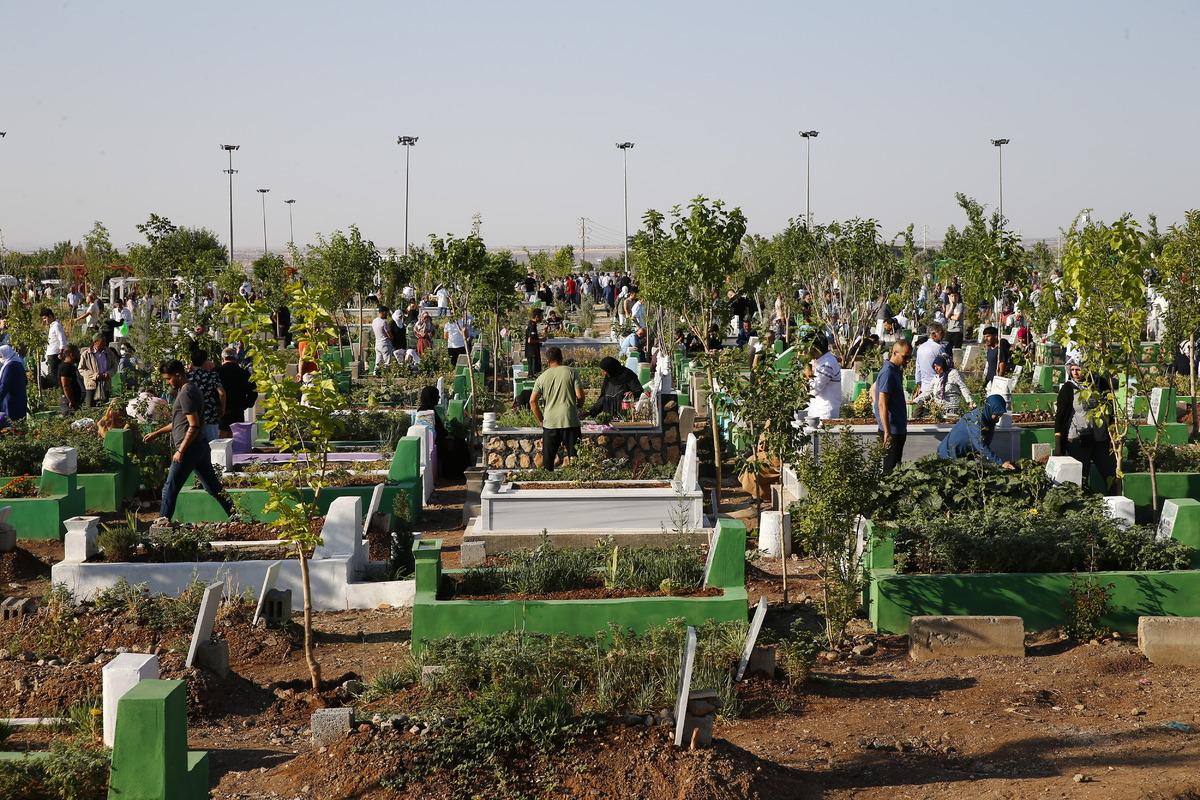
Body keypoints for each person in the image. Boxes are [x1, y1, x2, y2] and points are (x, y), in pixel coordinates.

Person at [147, 359, 233, 523]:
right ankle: (236, 514)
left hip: (189, 449)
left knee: (170, 487)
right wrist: (157, 433)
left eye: (169, 378)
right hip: (199, 446)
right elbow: (179, 422)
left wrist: (181, 450)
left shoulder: (186, 393)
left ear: (178, 374)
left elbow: (193, 425)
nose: (168, 382)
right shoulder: (190, 389)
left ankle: (162, 523)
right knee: (213, 486)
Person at [1054, 359, 1115, 488]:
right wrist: (1058, 444)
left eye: (1078, 369)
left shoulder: (1100, 384)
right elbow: (1060, 416)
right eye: (1072, 370)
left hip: (1101, 438)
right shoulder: (1068, 388)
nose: (1075, 373)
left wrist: (1113, 434)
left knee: (1110, 474)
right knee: (1081, 477)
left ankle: (1113, 496)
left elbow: (1111, 410)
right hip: (1078, 439)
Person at [530, 346, 584, 471]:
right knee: (576, 460)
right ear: (561, 358)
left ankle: (548, 479)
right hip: (570, 420)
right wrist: (578, 407)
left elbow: (532, 401)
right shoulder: (571, 372)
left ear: (547, 360)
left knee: (548, 462)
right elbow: (580, 395)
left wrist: (541, 420)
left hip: (550, 423)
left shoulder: (542, 377)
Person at [936, 394, 1015, 469]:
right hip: (949, 454)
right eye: (997, 414)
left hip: (965, 455)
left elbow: (986, 442)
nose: (999, 417)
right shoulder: (976, 419)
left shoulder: (989, 419)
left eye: (1000, 414)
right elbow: (980, 444)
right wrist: (1000, 463)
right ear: (990, 410)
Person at [874, 340, 912, 474]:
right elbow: (882, 403)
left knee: (895, 469)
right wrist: (887, 431)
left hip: (897, 429)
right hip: (892, 431)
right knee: (890, 472)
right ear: (894, 353)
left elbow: (873, 388)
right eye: (905, 357)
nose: (907, 360)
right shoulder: (888, 372)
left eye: (909, 357)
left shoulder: (895, 370)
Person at [911, 354, 973, 418]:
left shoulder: (953, 374)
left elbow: (963, 387)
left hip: (953, 411)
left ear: (943, 365)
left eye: (938, 366)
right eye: (934, 366)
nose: (936, 369)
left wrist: (970, 401)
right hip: (939, 411)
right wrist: (915, 400)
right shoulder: (936, 378)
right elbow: (928, 391)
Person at [187, 350, 226, 442]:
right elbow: (222, 393)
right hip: (210, 414)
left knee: (195, 444)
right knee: (213, 444)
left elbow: (173, 392)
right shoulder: (212, 375)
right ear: (205, 361)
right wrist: (222, 408)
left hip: (193, 416)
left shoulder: (187, 377)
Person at [217, 346, 257, 432]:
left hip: (221, 411)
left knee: (222, 437)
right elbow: (254, 392)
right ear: (236, 359)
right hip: (238, 410)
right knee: (237, 436)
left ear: (222, 358)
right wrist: (246, 405)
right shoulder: (244, 373)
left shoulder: (217, 372)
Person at [803, 333, 842, 421]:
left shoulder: (826, 365)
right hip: (817, 411)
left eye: (807, 348)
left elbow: (814, 390)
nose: (805, 351)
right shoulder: (822, 361)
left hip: (824, 414)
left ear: (815, 348)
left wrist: (808, 375)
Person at [78, 334, 118, 408]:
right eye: (102, 341)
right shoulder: (86, 354)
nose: (104, 343)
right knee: (91, 407)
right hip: (91, 385)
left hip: (105, 384)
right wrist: (94, 375)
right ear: (95, 342)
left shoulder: (109, 352)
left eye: (105, 341)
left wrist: (109, 374)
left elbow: (114, 366)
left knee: (105, 407)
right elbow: (81, 369)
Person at [914, 322, 947, 395]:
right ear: (934, 334)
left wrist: (919, 385)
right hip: (937, 387)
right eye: (941, 332)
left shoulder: (920, 348)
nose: (943, 335)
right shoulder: (939, 348)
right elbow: (945, 367)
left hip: (924, 387)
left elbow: (918, 369)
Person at [0, 345, 28, 425]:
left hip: (11, 402)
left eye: (1, 356)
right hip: (20, 399)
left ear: (6, 354)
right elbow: (26, 381)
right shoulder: (18, 363)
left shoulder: (10, 366)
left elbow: (4, 386)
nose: (1, 358)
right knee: (20, 424)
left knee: (12, 426)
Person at [41, 307, 68, 387]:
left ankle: (57, 390)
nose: (44, 320)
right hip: (52, 354)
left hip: (55, 354)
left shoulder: (56, 325)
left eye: (45, 318)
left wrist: (61, 352)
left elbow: (62, 339)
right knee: (53, 374)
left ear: (50, 316)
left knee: (54, 375)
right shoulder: (52, 326)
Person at [372, 306, 403, 372]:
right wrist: (392, 338)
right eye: (386, 313)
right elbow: (389, 334)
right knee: (387, 362)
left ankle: (375, 373)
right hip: (385, 344)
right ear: (383, 312)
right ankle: (387, 374)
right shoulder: (384, 322)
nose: (387, 314)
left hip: (377, 343)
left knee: (378, 361)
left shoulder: (374, 321)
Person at [57, 345, 83, 414]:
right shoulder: (66, 367)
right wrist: (71, 401)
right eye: (77, 353)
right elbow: (65, 386)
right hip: (68, 402)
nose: (79, 355)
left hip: (73, 400)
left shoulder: (71, 366)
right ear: (71, 355)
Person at [524, 309, 543, 375]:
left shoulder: (532, 323)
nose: (542, 318)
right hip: (532, 352)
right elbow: (530, 340)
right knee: (533, 373)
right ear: (537, 316)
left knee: (533, 373)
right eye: (541, 316)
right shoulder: (532, 325)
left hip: (531, 352)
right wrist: (541, 340)